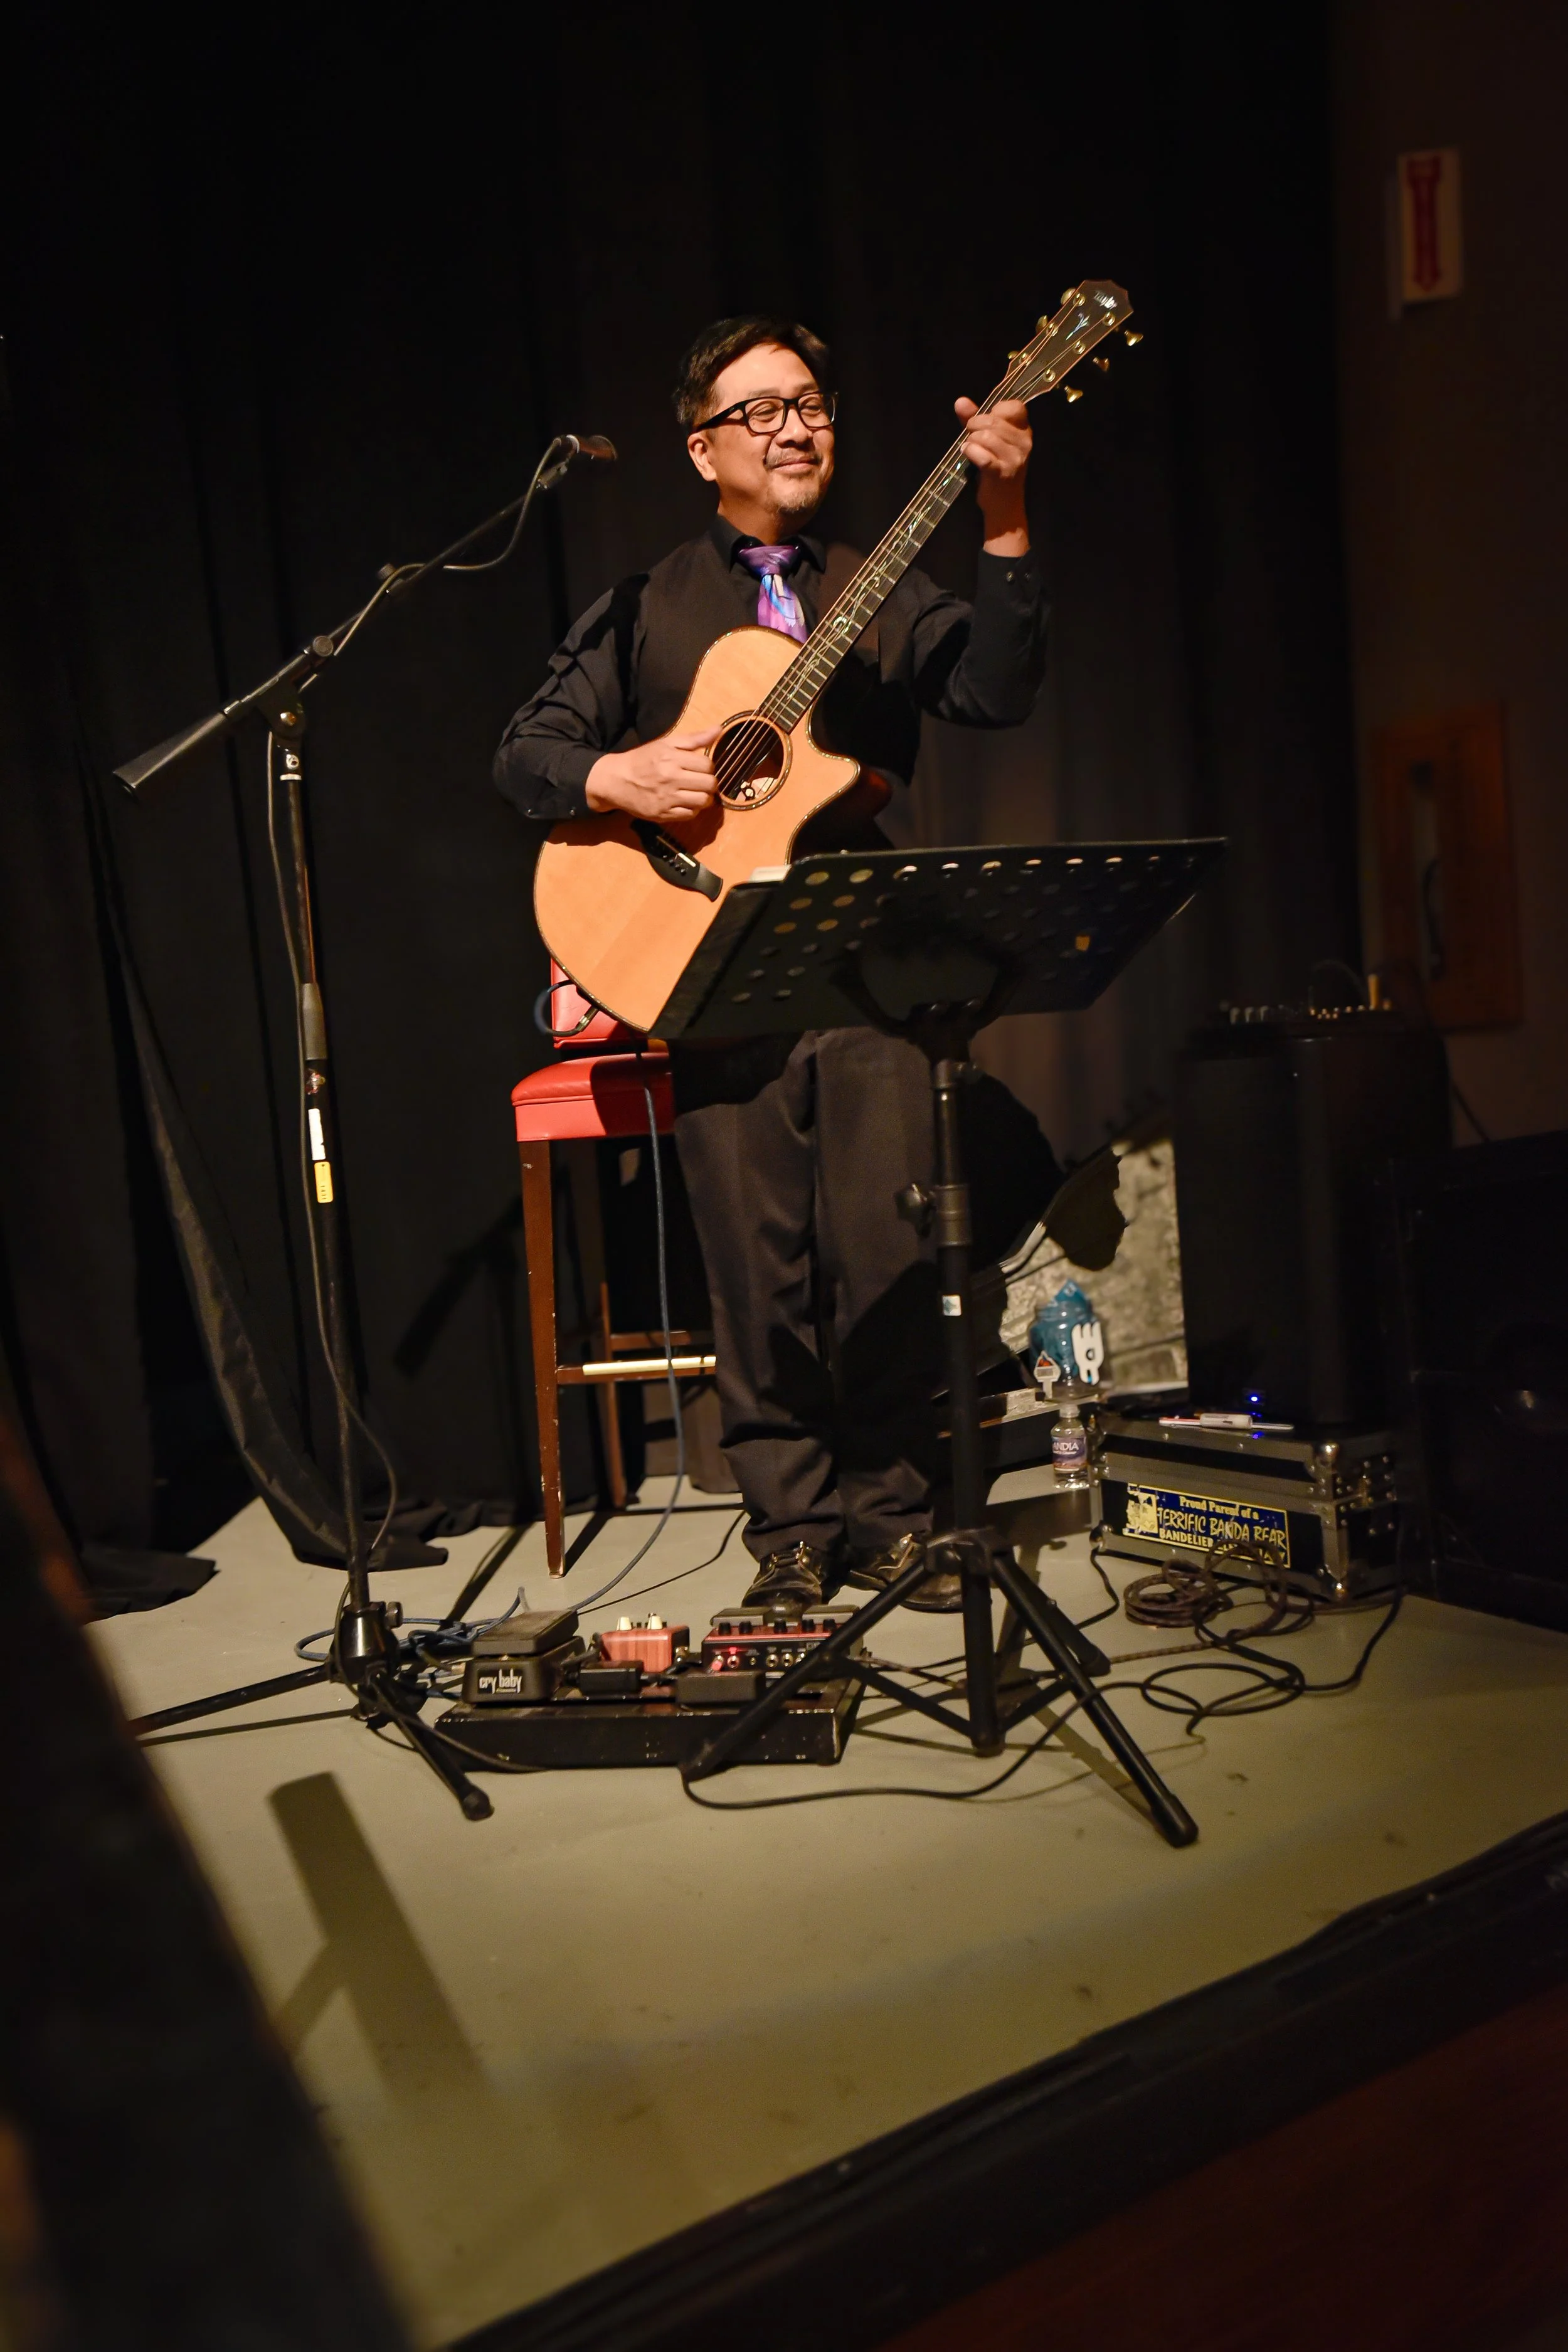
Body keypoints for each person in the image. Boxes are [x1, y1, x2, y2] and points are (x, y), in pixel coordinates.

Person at [495, 315, 1049, 1614]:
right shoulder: (645, 604)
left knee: (882, 1241)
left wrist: (1007, 505)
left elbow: (996, 688)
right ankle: (790, 1529)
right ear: (703, 450)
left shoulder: (878, 578)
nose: (797, 427)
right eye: (762, 411)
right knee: (755, 1262)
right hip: (704, 953)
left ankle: (891, 1511)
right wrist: (613, 772)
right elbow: (526, 754)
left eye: (811, 403)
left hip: (860, 954)